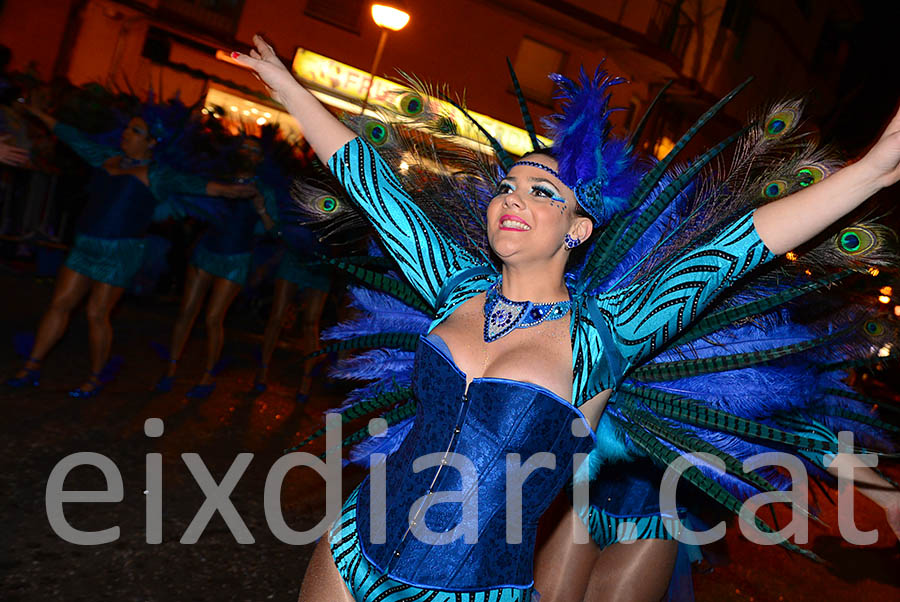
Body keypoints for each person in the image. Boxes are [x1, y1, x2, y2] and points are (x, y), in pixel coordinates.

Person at [234, 35, 900, 601]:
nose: (512, 198)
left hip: (474, 587)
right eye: (507, 185)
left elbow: (733, 250)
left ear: (578, 229)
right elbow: (370, 183)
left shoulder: (603, 337)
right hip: (352, 547)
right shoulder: (453, 285)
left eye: (541, 191)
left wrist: (869, 173)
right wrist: (287, 87)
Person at [6, 104, 253, 396]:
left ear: (152, 142)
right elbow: (75, 138)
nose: (126, 133)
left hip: (120, 252)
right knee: (60, 303)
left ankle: (96, 377)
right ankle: (31, 368)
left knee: (97, 313)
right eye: (127, 127)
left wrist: (235, 191)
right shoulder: (107, 158)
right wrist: (39, 113)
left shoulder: (158, 175)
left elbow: (202, 186)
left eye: (135, 130)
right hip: (85, 243)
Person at [153, 136, 277, 398]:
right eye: (244, 147)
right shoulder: (219, 180)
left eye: (254, 150)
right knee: (187, 310)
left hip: (235, 259)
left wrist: (262, 209)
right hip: (206, 252)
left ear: (260, 159)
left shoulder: (263, 190)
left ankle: (207, 376)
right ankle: (170, 370)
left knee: (213, 318)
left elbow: (274, 232)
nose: (247, 152)